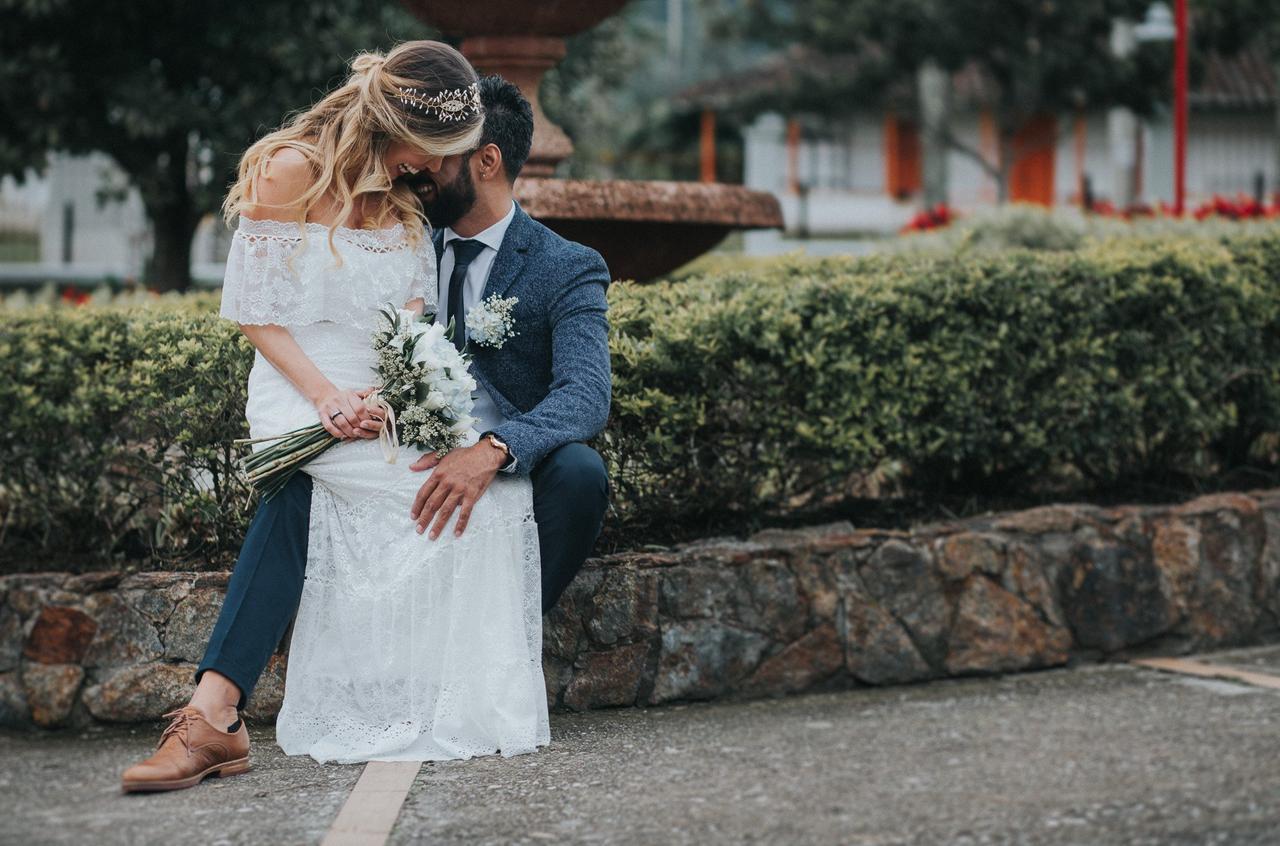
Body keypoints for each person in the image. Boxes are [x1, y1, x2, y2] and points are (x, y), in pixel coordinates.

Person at [120, 49, 611, 791]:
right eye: (429, 154)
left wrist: (485, 444)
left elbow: (582, 395)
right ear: (399, 128)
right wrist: (336, 395)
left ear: (482, 160)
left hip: (400, 415)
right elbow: (261, 308)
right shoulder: (344, 182)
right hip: (317, 400)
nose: (431, 170)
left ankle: (462, 661)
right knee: (300, 482)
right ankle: (212, 714)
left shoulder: (548, 258)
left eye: (447, 159)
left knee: (557, 476)